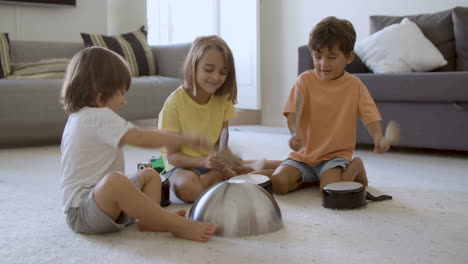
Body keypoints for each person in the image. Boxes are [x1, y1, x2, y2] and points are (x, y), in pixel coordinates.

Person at [60, 46, 217, 242]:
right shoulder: (98, 116)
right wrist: (185, 138)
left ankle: (151, 221)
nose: (124, 101)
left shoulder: (79, 117)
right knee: (115, 181)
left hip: (104, 205)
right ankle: (174, 224)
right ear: (98, 90)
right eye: (120, 93)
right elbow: (141, 138)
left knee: (150, 175)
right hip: (83, 213)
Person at [271, 16, 392, 194]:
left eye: (332, 57)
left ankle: (355, 166)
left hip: (334, 156)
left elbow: (370, 116)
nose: (323, 64)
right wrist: (294, 134)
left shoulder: (355, 85)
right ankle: (311, 178)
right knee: (278, 183)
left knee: (331, 191)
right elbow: (292, 114)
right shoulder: (304, 80)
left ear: (349, 57)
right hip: (304, 156)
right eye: (317, 57)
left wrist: (378, 137)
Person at [158, 35, 279, 203]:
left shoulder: (223, 99)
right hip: (181, 166)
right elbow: (172, 157)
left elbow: (221, 141)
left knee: (270, 168)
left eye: (223, 72)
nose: (216, 77)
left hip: (212, 162)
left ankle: (294, 165)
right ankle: (224, 177)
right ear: (193, 66)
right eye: (208, 69)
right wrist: (204, 162)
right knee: (188, 189)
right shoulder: (174, 103)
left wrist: (227, 159)